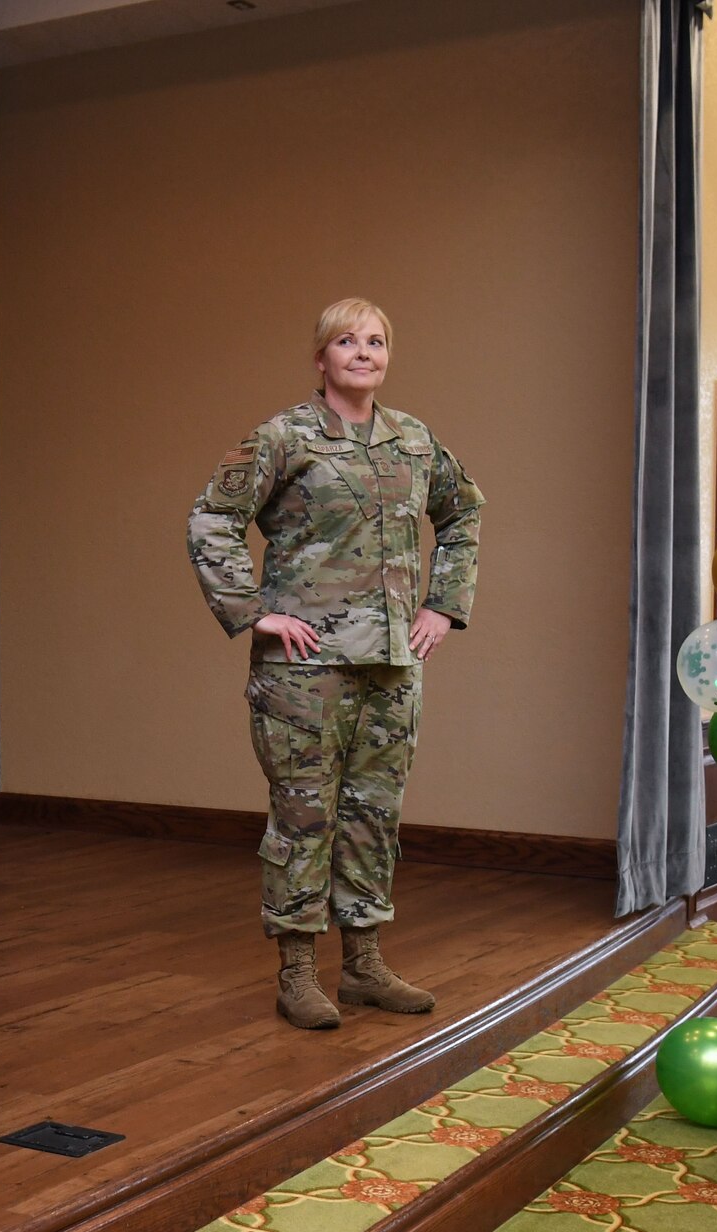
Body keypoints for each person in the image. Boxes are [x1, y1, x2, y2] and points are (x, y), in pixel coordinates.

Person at [187, 299, 485, 1029]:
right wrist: (255, 611)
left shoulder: (414, 441)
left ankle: (364, 965)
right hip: (304, 669)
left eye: (376, 341)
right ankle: (296, 972)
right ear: (320, 359)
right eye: (346, 342)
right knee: (304, 816)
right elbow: (211, 519)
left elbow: (463, 514)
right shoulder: (283, 438)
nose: (363, 353)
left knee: (373, 815)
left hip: (391, 665)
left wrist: (441, 605)